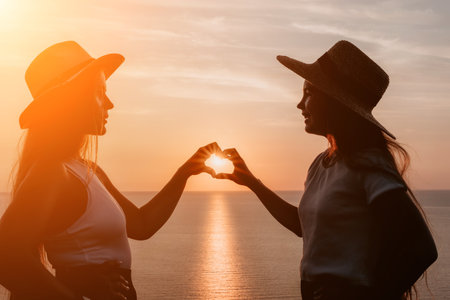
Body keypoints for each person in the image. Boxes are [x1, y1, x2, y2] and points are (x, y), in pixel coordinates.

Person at [215, 40, 438, 300]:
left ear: (335, 102)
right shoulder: (321, 164)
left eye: (309, 93)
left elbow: (422, 248)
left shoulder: (369, 165)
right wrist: (252, 182)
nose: (300, 104)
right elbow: (304, 226)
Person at [0, 41, 221, 300]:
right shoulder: (52, 173)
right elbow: (6, 257)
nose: (110, 103)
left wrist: (185, 172)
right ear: (71, 101)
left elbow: (140, 225)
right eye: (100, 91)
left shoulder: (86, 170)